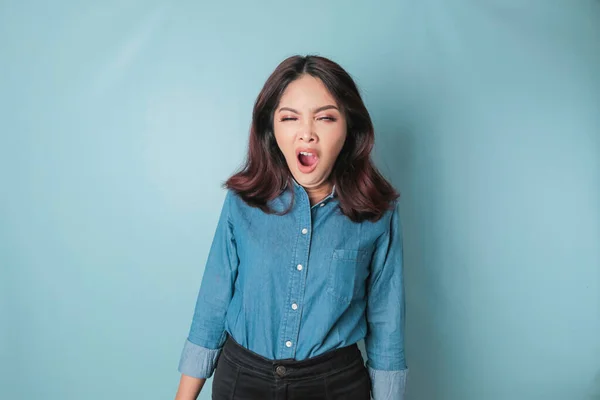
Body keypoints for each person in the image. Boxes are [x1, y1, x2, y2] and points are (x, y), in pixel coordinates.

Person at [174, 55, 408, 400]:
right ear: (272, 129)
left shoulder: (377, 212)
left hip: (335, 385)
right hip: (241, 380)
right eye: (290, 118)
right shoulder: (243, 202)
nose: (307, 133)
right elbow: (213, 300)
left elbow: (387, 322)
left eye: (325, 117)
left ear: (349, 129)